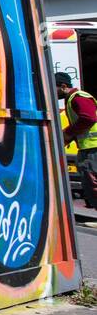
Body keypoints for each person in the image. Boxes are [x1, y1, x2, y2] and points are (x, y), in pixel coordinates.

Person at [57, 71, 97, 211]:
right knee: (90, 185)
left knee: (93, 184)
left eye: (55, 88)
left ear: (63, 86)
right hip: (89, 148)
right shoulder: (73, 99)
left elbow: (88, 118)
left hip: (92, 149)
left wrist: (68, 133)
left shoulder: (77, 98)